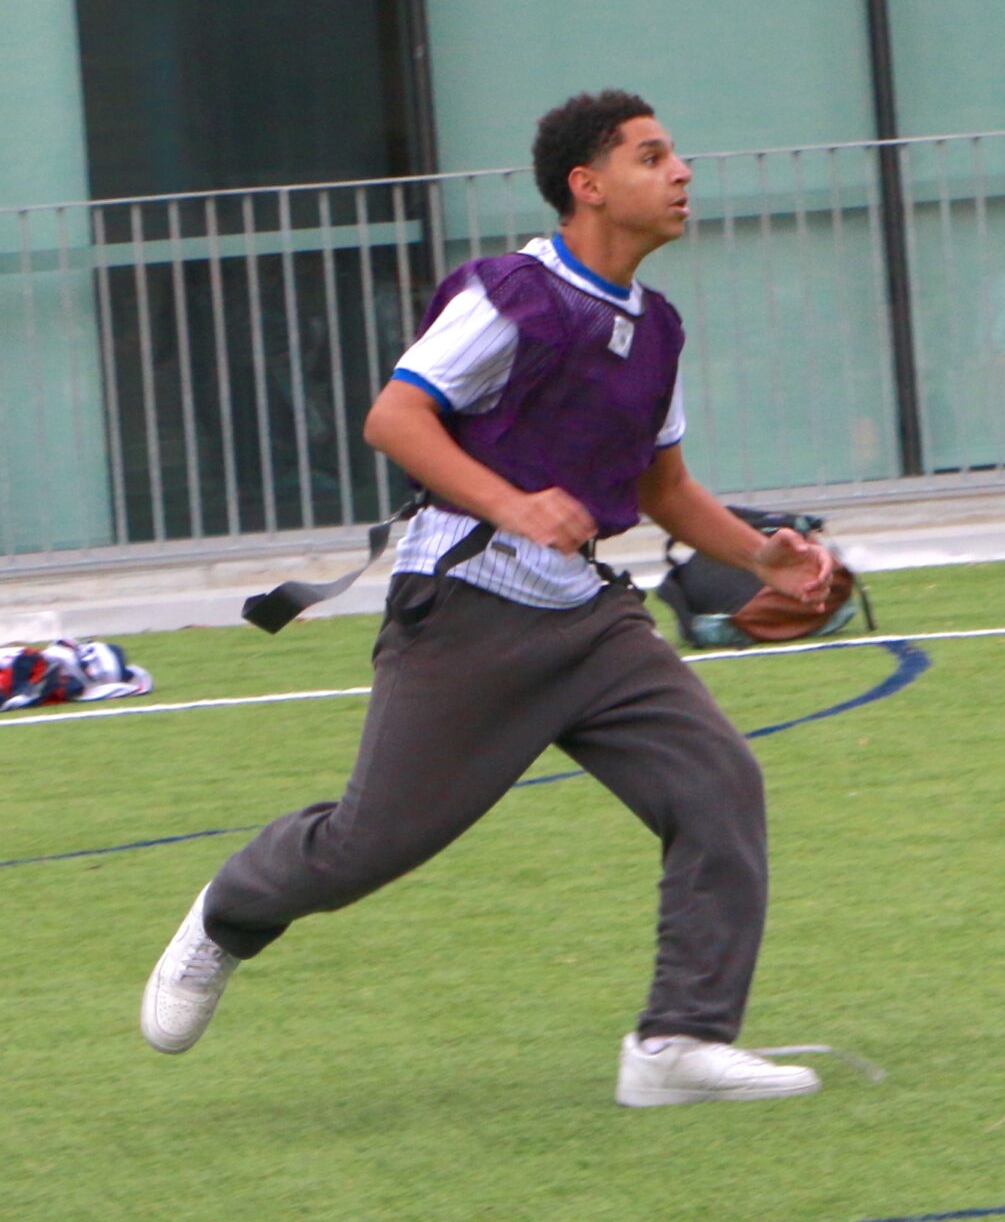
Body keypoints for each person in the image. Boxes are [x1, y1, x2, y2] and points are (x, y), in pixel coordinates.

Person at [140, 90, 835, 1107]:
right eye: (653, 155)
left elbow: (661, 486)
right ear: (587, 186)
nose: (682, 170)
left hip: (593, 620)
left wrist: (760, 557)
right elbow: (396, 415)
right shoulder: (513, 294)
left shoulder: (658, 328)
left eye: (675, 153)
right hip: (468, 610)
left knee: (718, 784)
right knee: (366, 845)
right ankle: (228, 912)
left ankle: (676, 1045)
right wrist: (514, 504)